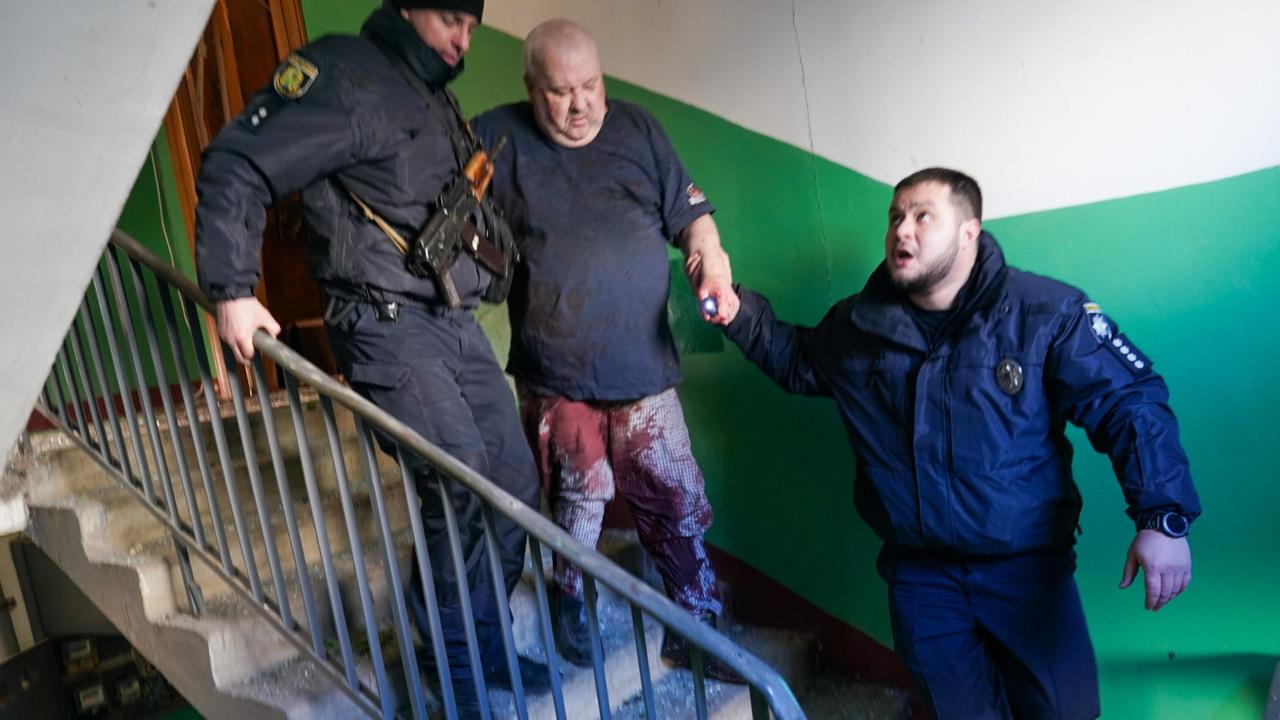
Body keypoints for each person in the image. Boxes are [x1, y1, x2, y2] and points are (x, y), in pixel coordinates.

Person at [719, 167, 1201, 719]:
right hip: (921, 580)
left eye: (923, 216)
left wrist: (1162, 517)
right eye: (896, 217)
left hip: (1027, 572)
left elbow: (1128, 400)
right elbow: (798, 360)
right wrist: (735, 310)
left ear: (969, 232)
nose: (903, 230)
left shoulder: (1043, 313)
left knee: (1065, 712)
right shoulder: (859, 324)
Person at [192, 0, 550, 714]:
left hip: (449, 320)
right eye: (452, 19)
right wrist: (231, 290)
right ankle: (459, 681)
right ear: (409, 6)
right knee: (458, 487)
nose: (463, 39)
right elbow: (237, 160)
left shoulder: (427, 89)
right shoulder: (343, 75)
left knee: (514, 486)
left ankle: (478, 643)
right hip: (383, 324)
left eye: (472, 26)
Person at [470, 19, 745, 682]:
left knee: (675, 495)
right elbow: (438, 214)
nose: (580, 104)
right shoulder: (492, 138)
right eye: (559, 92)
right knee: (579, 494)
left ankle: (697, 624)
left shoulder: (638, 129)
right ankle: (568, 598)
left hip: (643, 369)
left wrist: (714, 265)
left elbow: (694, 218)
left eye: (590, 85)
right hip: (556, 371)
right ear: (530, 89)